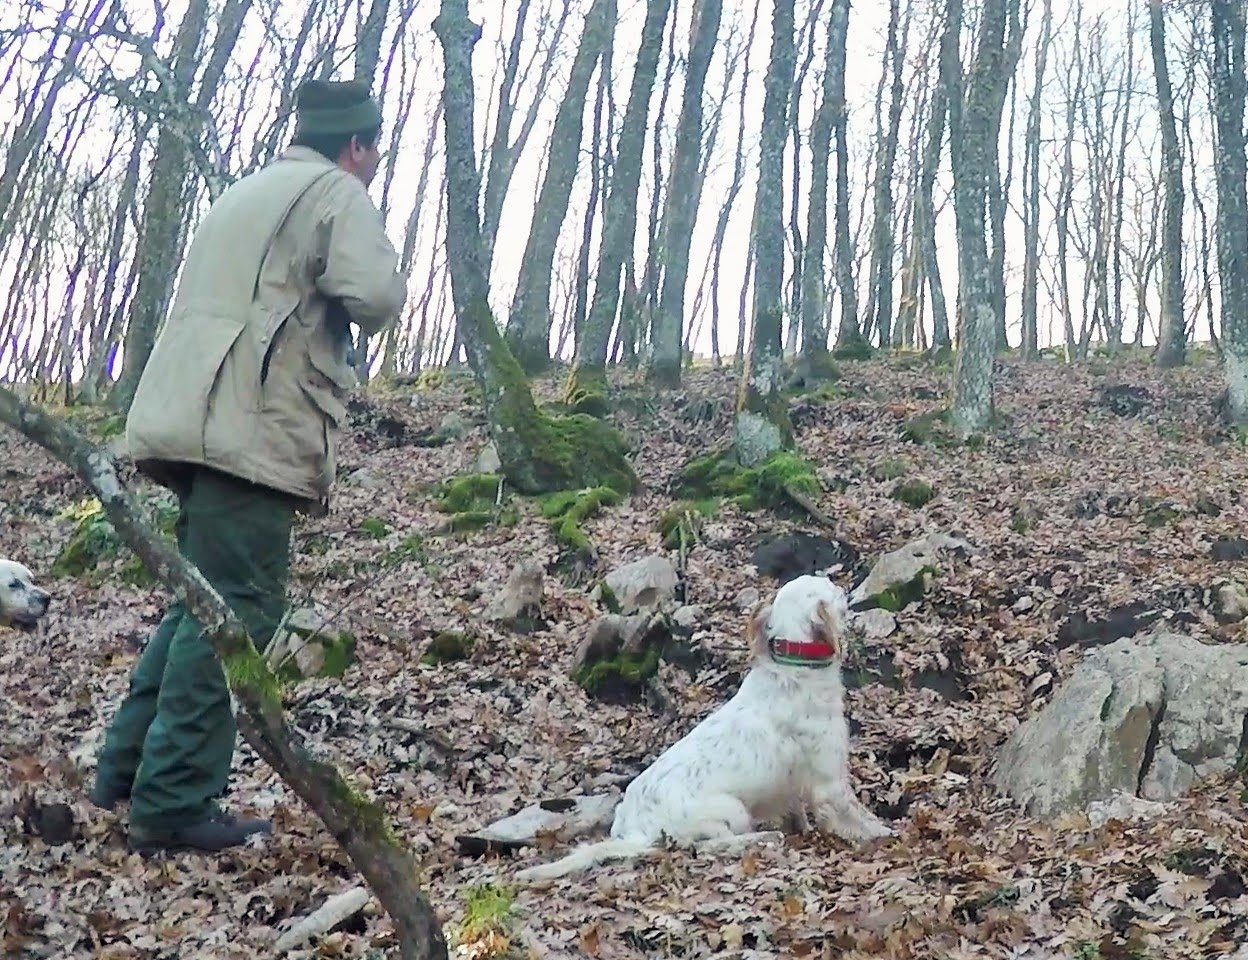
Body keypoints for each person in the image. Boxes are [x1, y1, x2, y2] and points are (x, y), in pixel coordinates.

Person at [89, 79, 408, 854]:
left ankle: (125, 775)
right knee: (234, 613)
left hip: (189, 416)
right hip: (252, 431)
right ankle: (170, 806)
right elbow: (376, 295)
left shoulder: (249, 188)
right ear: (357, 144)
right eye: (374, 148)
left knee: (195, 604)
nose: (374, 161)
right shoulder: (336, 190)